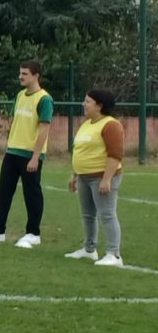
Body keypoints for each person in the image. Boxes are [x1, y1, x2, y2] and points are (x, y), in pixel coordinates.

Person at [0, 60, 53, 248]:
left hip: (30, 155)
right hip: (13, 151)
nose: (20, 77)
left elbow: (44, 129)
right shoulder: (19, 96)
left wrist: (35, 156)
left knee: (31, 193)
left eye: (24, 74)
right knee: (4, 191)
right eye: (20, 73)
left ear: (36, 76)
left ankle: (33, 233)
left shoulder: (44, 99)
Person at [64, 89, 125, 267]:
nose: (84, 104)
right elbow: (81, 151)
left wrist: (107, 179)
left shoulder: (110, 125)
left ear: (99, 106)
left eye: (88, 101)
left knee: (107, 214)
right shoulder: (87, 124)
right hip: (84, 177)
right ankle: (89, 250)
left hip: (101, 177)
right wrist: (75, 175)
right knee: (88, 215)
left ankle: (114, 254)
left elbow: (115, 155)